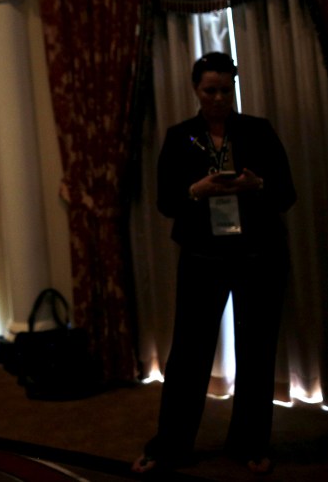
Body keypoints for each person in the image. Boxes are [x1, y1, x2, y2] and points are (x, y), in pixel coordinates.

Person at [133, 52, 297, 476]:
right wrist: (196, 191)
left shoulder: (257, 132)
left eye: (226, 89)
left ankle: (250, 444)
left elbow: (287, 193)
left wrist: (257, 184)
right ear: (195, 90)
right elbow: (166, 202)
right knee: (188, 355)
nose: (219, 97)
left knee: (257, 353)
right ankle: (169, 446)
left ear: (234, 87)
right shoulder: (180, 136)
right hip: (204, 258)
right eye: (210, 90)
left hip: (259, 256)